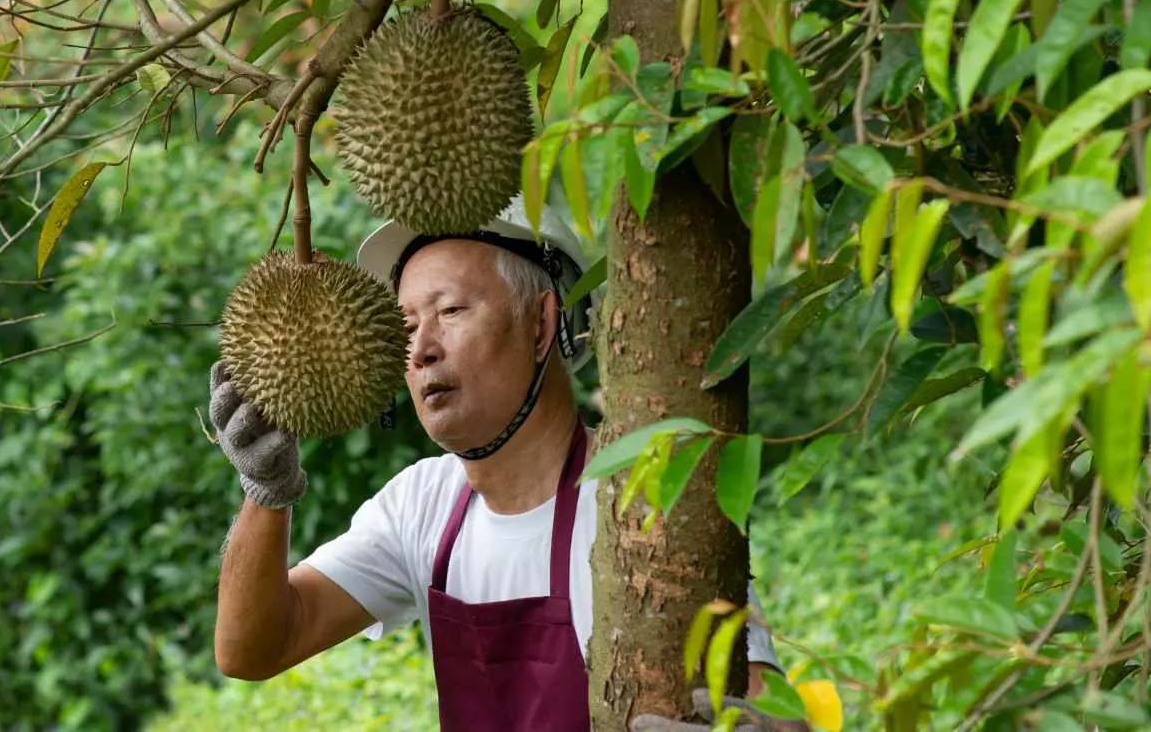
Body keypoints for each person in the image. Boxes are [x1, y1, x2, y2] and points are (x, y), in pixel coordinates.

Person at [210, 196, 805, 731]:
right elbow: (252, 648)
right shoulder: (421, 504)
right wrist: (267, 491)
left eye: (451, 312)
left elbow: (771, 704)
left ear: (543, 323)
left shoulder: (639, 500)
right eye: (407, 326)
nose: (420, 350)